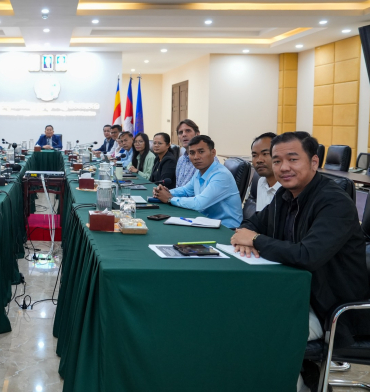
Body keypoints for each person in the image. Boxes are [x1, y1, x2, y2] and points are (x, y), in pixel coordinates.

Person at [231, 132, 370, 392]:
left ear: (314, 162)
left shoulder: (334, 202)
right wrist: (246, 236)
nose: (283, 167)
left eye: (293, 159)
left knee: (257, 330)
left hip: (332, 309)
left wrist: (256, 239)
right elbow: (252, 222)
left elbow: (307, 255)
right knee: (235, 310)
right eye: (277, 161)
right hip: (296, 294)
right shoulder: (285, 195)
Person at [153, 135, 243, 228]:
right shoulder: (199, 172)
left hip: (226, 228)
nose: (196, 157)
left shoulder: (221, 175)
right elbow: (186, 190)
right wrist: (164, 192)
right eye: (192, 153)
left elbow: (199, 203)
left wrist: (170, 199)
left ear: (213, 153)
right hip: (205, 221)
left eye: (201, 152)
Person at [251, 132, 281, 211]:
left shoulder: (289, 187)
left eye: (265, 154)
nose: (259, 160)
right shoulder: (261, 182)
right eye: (254, 155)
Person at [175, 119, 200, 187]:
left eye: (188, 131)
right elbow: (178, 186)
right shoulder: (181, 160)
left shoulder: (207, 158)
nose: (184, 134)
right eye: (180, 132)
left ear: (197, 134)